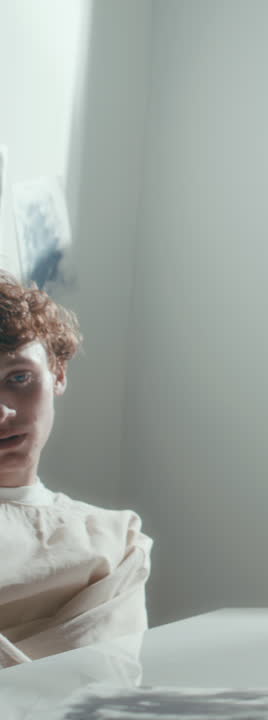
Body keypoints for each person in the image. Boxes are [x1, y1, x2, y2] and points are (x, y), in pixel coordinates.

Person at [0, 273, 151, 667]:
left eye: (19, 378)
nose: (2, 411)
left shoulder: (118, 540)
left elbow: (102, 687)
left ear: (58, 374)